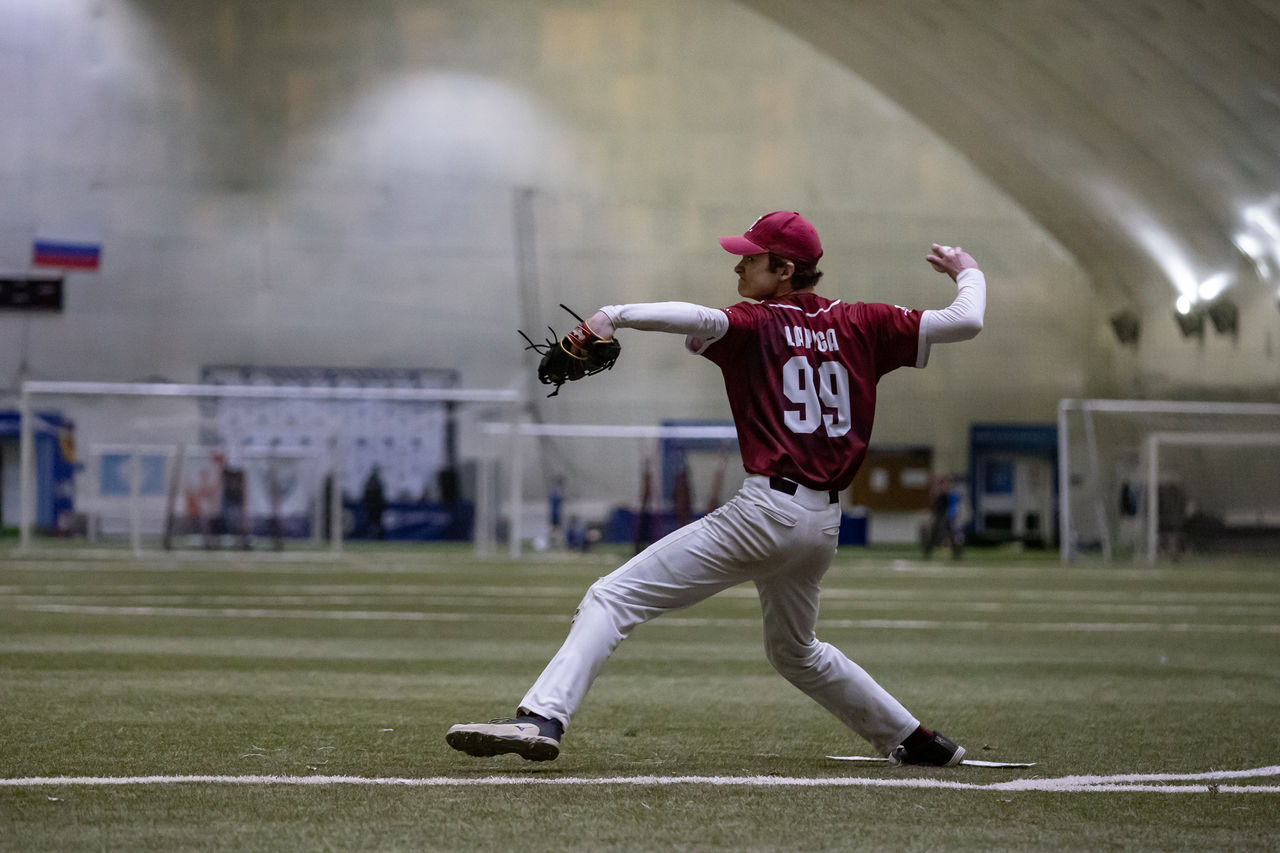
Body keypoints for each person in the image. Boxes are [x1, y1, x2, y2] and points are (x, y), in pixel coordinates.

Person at [446, 211, 986, 766]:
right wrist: (967, 269)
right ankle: (915, 740)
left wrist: (613, 315)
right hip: (822, 524)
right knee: (796, 651)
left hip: (766, 512)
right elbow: (966, 320)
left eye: (751, 257)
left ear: (785, 269)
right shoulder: (863, 321)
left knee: (612, 596)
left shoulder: (755, 323)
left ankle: (541, 718)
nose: (738, 265)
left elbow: (699, 318)